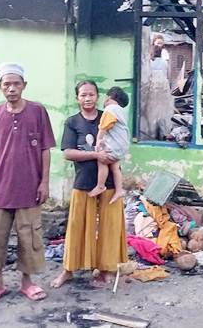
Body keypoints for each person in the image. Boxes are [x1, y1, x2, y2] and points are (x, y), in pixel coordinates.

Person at [0, 62, 55, 304]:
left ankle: (27, 283)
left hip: (30, 187)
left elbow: (45, 150)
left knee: (29, 236)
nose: (11, 88)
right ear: (0, 87)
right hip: (0, 187)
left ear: (24, 86)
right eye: (6, 84)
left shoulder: (38, 112)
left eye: (16, 84)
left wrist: (44, 182)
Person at [50, 81, 128, 289]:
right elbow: (67, 153)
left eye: (91, 94)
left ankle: (105, 270)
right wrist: (95, 154)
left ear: (97, 96)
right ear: (77, 98)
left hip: (109, 183)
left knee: (109, 228)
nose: (87, 98)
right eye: (83, 95)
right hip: (84, 182)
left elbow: (120, 141)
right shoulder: (72, 122)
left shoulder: (108, 116)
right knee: (76, 227)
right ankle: (68, 270)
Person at [87, 87, 129, 204]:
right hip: (122, 146)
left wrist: (99, 140)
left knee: (102, 160)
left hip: (114, 145)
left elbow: (104, 126)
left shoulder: (110, 109)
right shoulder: (121, 111)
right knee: (115, 166)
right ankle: (119, 190)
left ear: (109, 97)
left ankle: (100, 185)